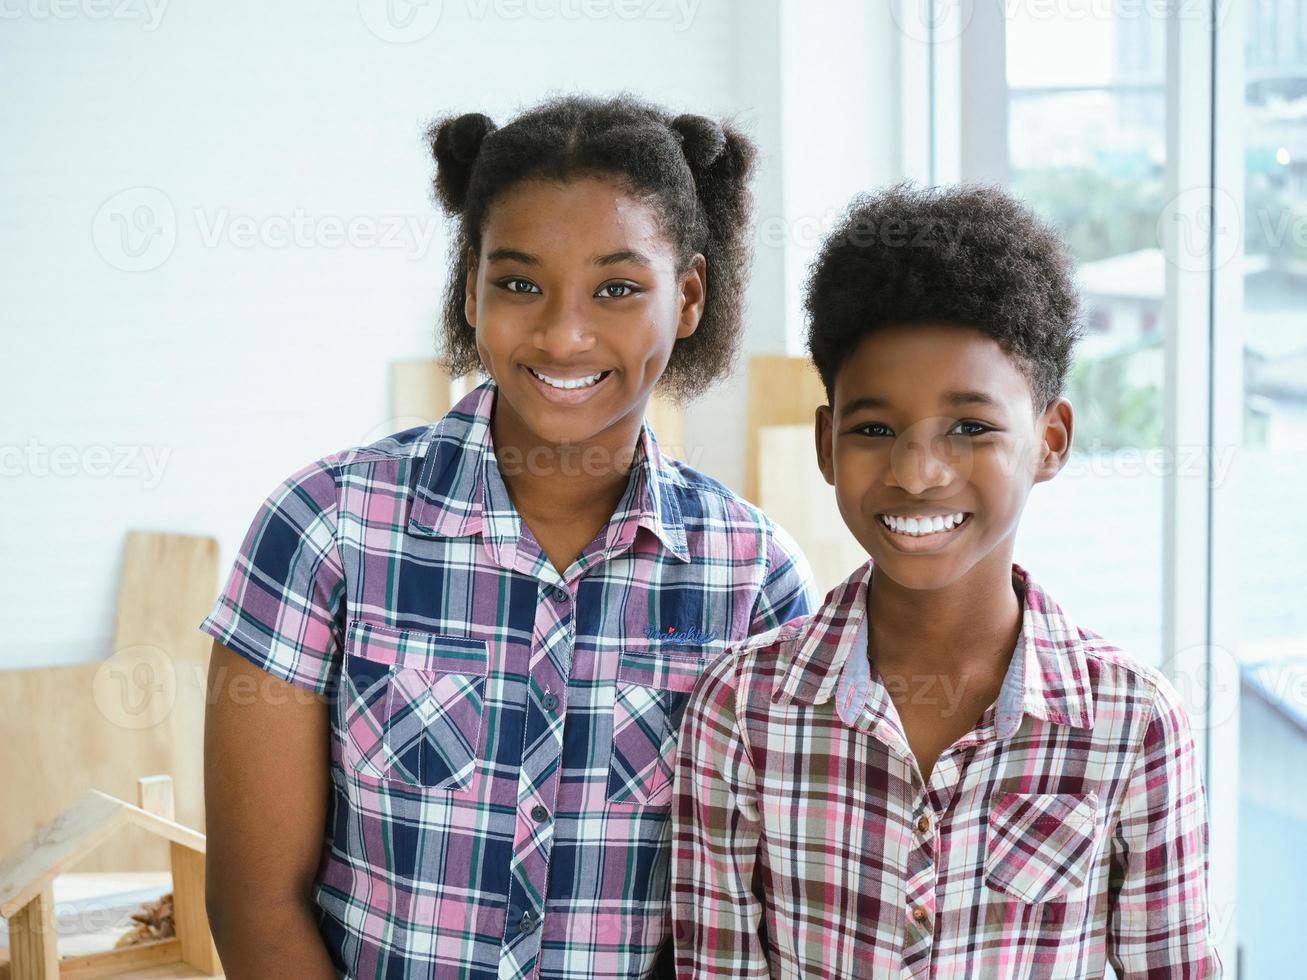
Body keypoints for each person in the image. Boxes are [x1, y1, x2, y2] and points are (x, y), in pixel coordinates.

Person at [200, 93, 817, 979]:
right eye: (519, 283)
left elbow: (753, 921)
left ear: (686, 297)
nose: (564, 333)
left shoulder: (754, 579)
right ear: (470, 290)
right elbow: (254, 905)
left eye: (617, 287)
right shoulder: (323, 529)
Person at [669, 183, 1222, 978]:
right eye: (873, 429)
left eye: (970, 428)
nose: (915, 472)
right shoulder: (738, 712)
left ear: (1049, 440)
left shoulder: (1132, 725)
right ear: (826, 444)